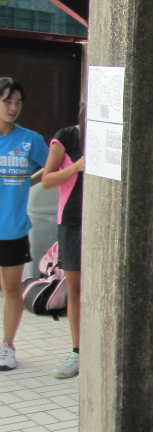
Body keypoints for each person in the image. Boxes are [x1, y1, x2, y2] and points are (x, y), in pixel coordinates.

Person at [0, 78, 48, 372]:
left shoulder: (30, 140)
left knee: (10, 289)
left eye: (18, 102)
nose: (13, 108)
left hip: (13, 230)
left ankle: (7, 346)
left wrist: (28, 181)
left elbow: (53, 167)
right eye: (7, 101)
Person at [41, 121, 84, 378]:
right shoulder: (66, 137)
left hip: (104, 221)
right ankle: (77, 351)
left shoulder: (110, 132)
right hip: (71, 221)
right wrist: (76, 167)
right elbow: (46, 180)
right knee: (75, 289)